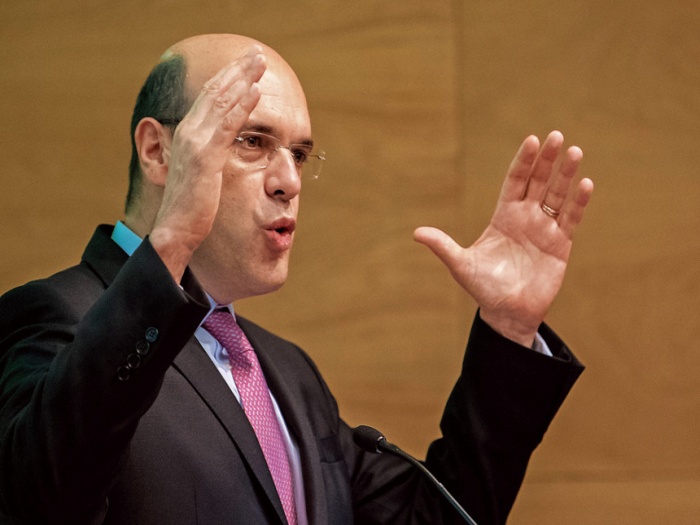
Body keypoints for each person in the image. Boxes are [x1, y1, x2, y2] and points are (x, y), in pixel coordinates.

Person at [0, 34, 593, 525]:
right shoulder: (53, 315)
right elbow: (41, 500)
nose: (289, 181)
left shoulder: (287, 372)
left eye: (301, 154)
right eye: (253, 142)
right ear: (158, 152)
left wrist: (509, 327)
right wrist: (171, 241)